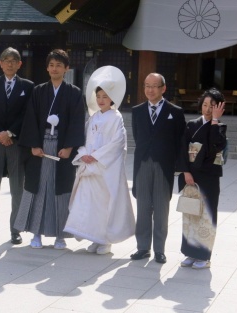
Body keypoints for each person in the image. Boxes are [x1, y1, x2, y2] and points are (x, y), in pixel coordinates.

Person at [14, 49, 85, 249]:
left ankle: (60, 235)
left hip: (62, 147)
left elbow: (77, 122)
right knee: (40, 189)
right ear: (47, 68)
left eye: (59, 65)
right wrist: (34, 145)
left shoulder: (74, 93)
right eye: (52, 65)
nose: (55, 68)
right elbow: (30, 119)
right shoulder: (38, 91)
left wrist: (70, 147)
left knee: (59, 191)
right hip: (41, 147)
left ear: (66, 68)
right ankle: (36, 233)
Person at [64, 66, 135, 255]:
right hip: (90, 166)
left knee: (105, 204)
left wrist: (95, 156)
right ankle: (95, 237)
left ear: (112, 98)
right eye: (99, 96)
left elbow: (117, 143)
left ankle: (106, 240)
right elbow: (85, 138)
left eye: (105, 96)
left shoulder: (116, 117)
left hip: (105, 168)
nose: (101, 100)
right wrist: (84, 153)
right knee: (90, 204)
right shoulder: (93, 118)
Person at [0, 47, 34, 245]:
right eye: (6, 60)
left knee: (17, 187)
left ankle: (16, 229)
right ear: (0, 63)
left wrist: (10, 133)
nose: (10, 63)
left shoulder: (27, 86)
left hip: (16, 141)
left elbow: (27, 113)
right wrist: (0, 134)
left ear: (20, 64)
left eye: (14, 60)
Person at [130, 73, 186, 264]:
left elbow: (180, 141)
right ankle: (142, 247)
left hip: (164, 164)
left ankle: (159, 250)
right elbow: (138, 137)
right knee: (143, 206)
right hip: (143, 163)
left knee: (161, 208)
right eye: (147, 85)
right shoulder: (137, 111)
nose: (150, 90)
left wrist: (180, 167)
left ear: (163, 88)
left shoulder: (175, 112)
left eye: (154, 86)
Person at [177, 88, 227, 269]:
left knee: (206, 216)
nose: (207, 109)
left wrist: (214, 121)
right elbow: (182, 149)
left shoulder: (219, 128)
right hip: (191, 175)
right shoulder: (191, 125)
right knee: (190, 215)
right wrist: (185, 172)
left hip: (208, 177)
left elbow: (215, 146)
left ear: (219, 108)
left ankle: (204, 256)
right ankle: (190, 253)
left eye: (212, 106)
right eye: (205, 105)